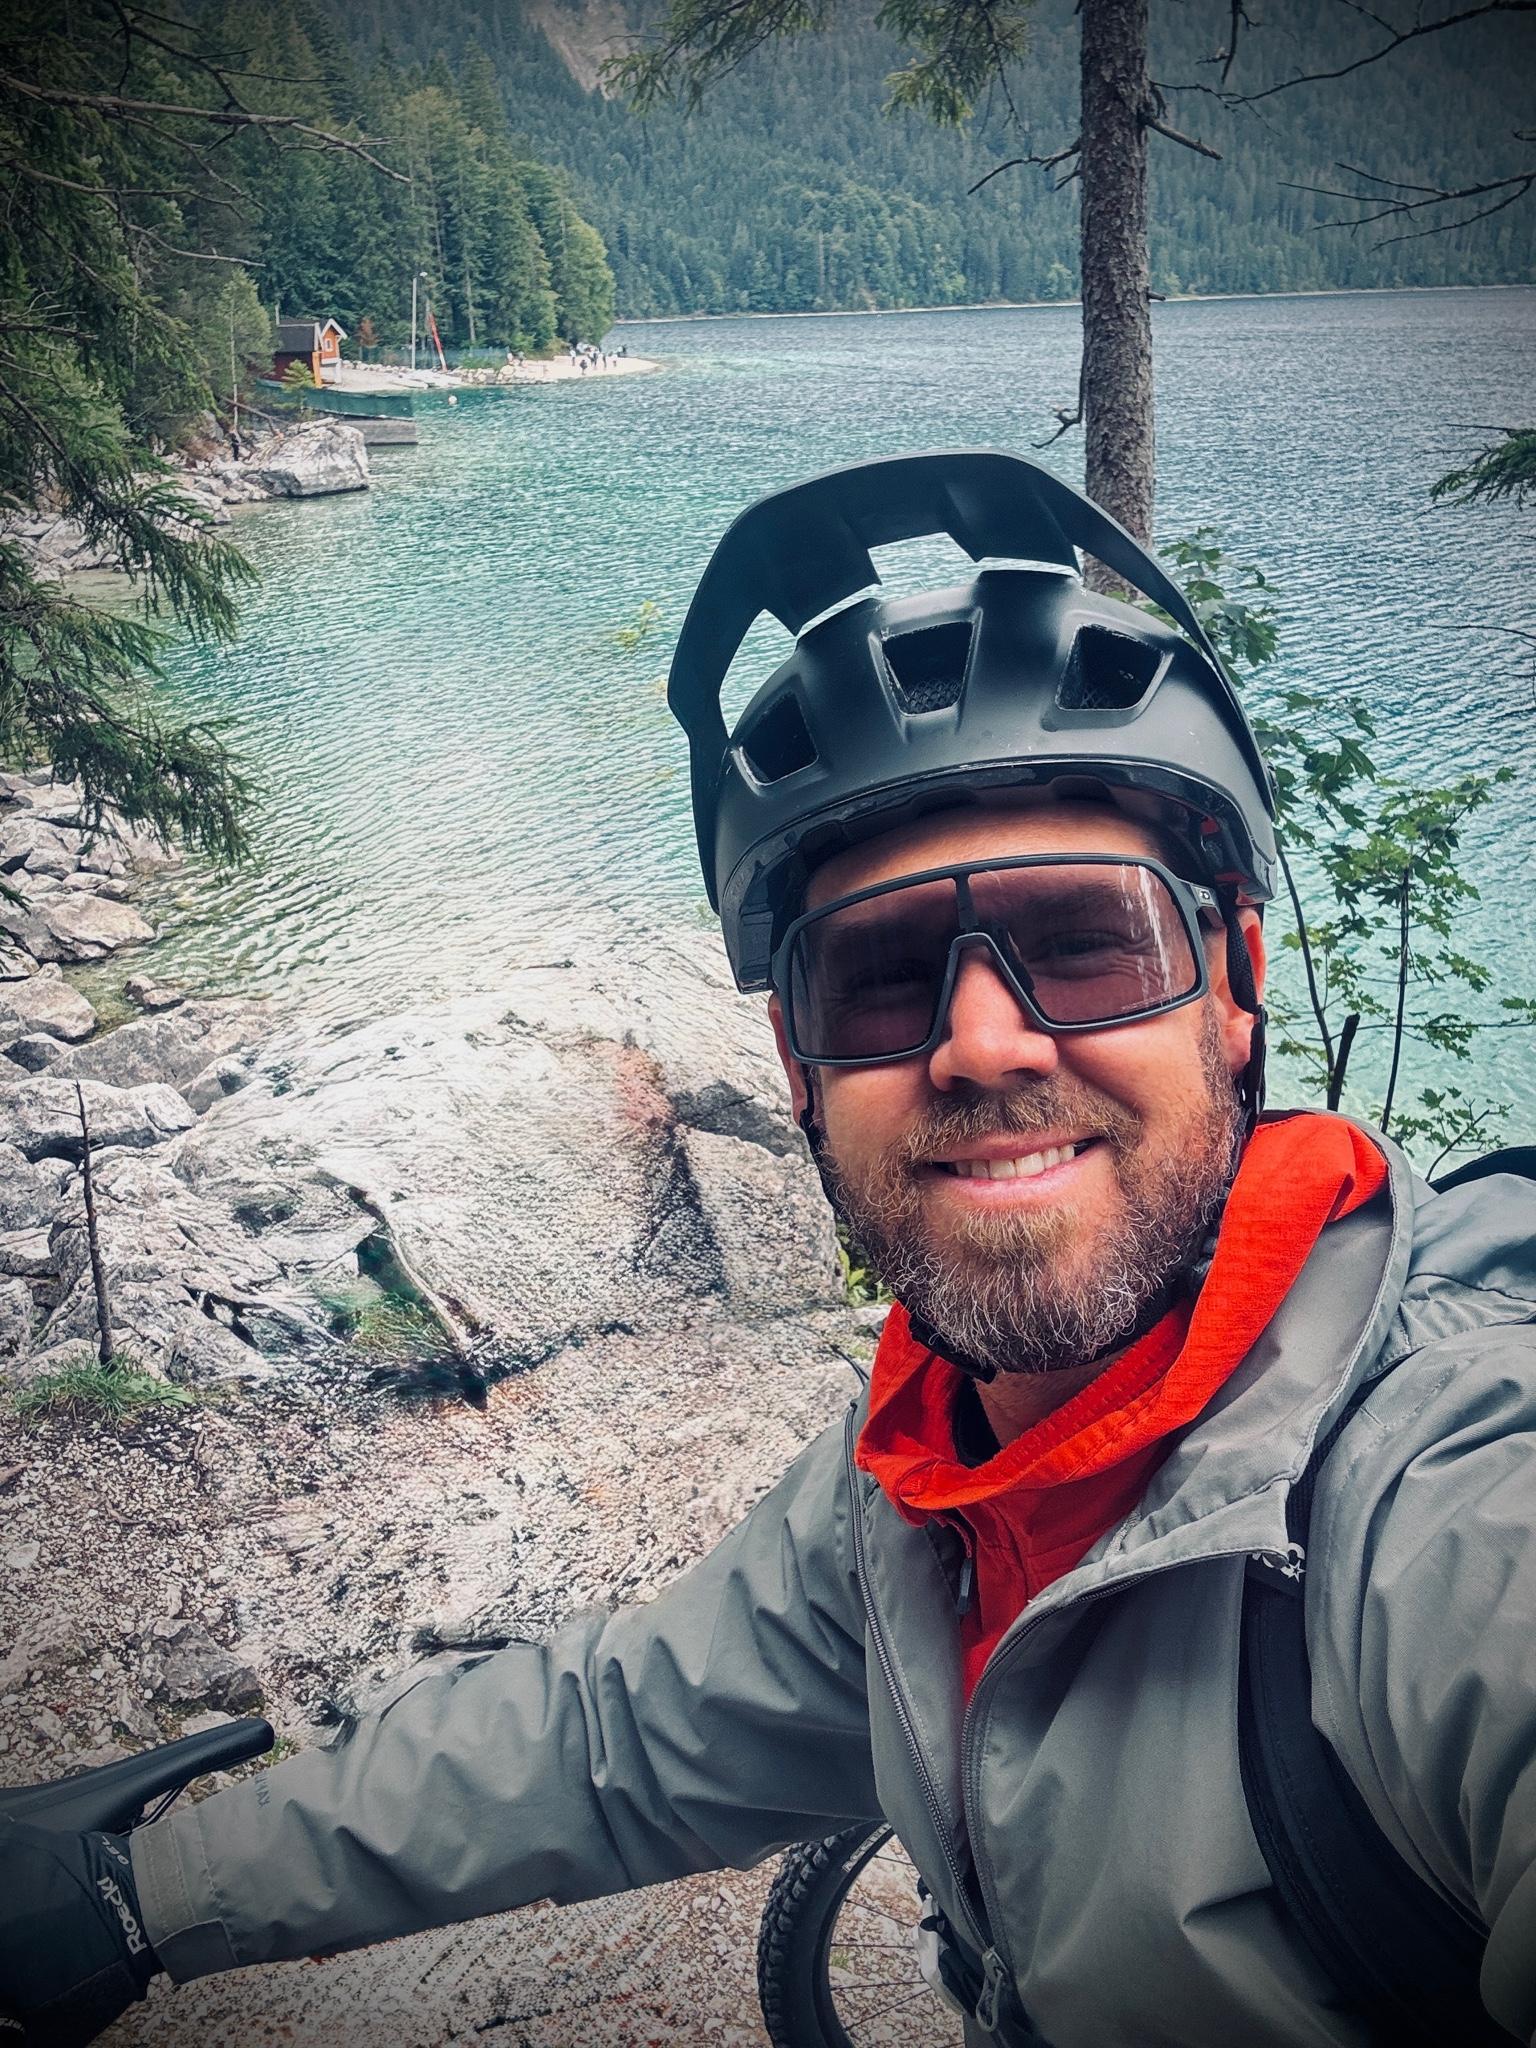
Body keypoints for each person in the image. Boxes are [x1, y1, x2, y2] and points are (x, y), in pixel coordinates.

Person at [3, 452, 1533, 2048]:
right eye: (880, 978)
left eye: (1088, 944)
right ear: (797, 1073)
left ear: (1237, 985)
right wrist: (142, 1890)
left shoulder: (1447, 1498)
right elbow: (609, 1741)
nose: (983, 1045)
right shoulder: (921, 1489)